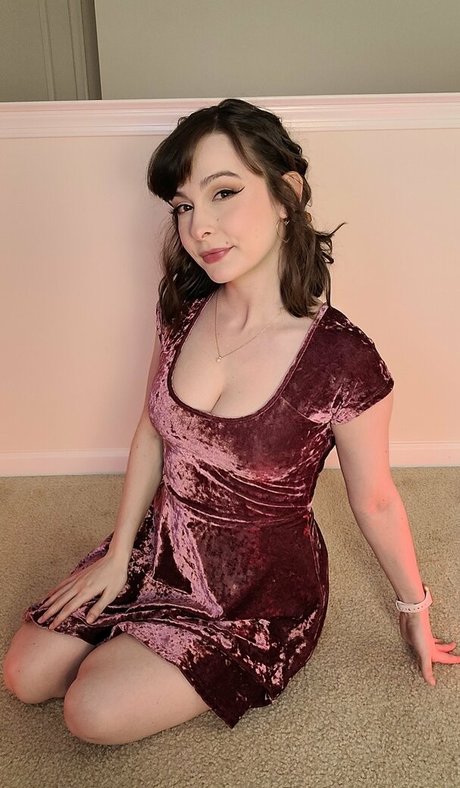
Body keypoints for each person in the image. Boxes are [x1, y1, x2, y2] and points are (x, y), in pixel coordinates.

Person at [3, 98, 459, 745]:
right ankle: (137, 617)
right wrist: (120, 552)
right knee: (25, 676)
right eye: (183, 206)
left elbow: (377, 500)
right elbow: (151, 430)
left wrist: (414, 606)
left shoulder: (342, 359)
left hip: (255, 592)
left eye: (223, 193)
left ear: (286, 195)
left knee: (91, 711)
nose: (200, 227)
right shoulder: (183, 308)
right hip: (162, 546)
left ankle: (170, 645)